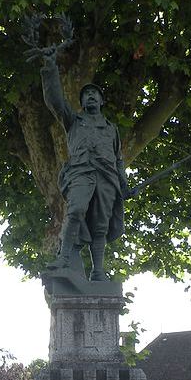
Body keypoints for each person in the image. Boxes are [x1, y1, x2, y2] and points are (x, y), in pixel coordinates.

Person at [39, 49, 131, 281]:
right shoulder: (74, 121)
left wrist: (124, 183)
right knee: (76, 210)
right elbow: (55, 102)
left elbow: (118, 159)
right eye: (86, 94)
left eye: (94, 94)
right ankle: (65, 258)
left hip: (107, 178)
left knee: (100, 225)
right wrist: (50, 68)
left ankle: (97, 272)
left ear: (101, 100)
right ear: (81, 101)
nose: (90, 96)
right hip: (81, 173)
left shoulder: (111, 129)